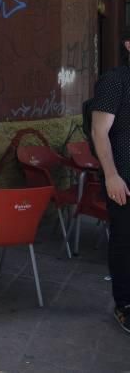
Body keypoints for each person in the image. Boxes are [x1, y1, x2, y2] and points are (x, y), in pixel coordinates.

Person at [91, 31, 130, 335]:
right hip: (123, 178)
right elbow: (99, 131)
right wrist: (111, 175)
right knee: (124, 241)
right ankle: (124, 305)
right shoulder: (115, 81)